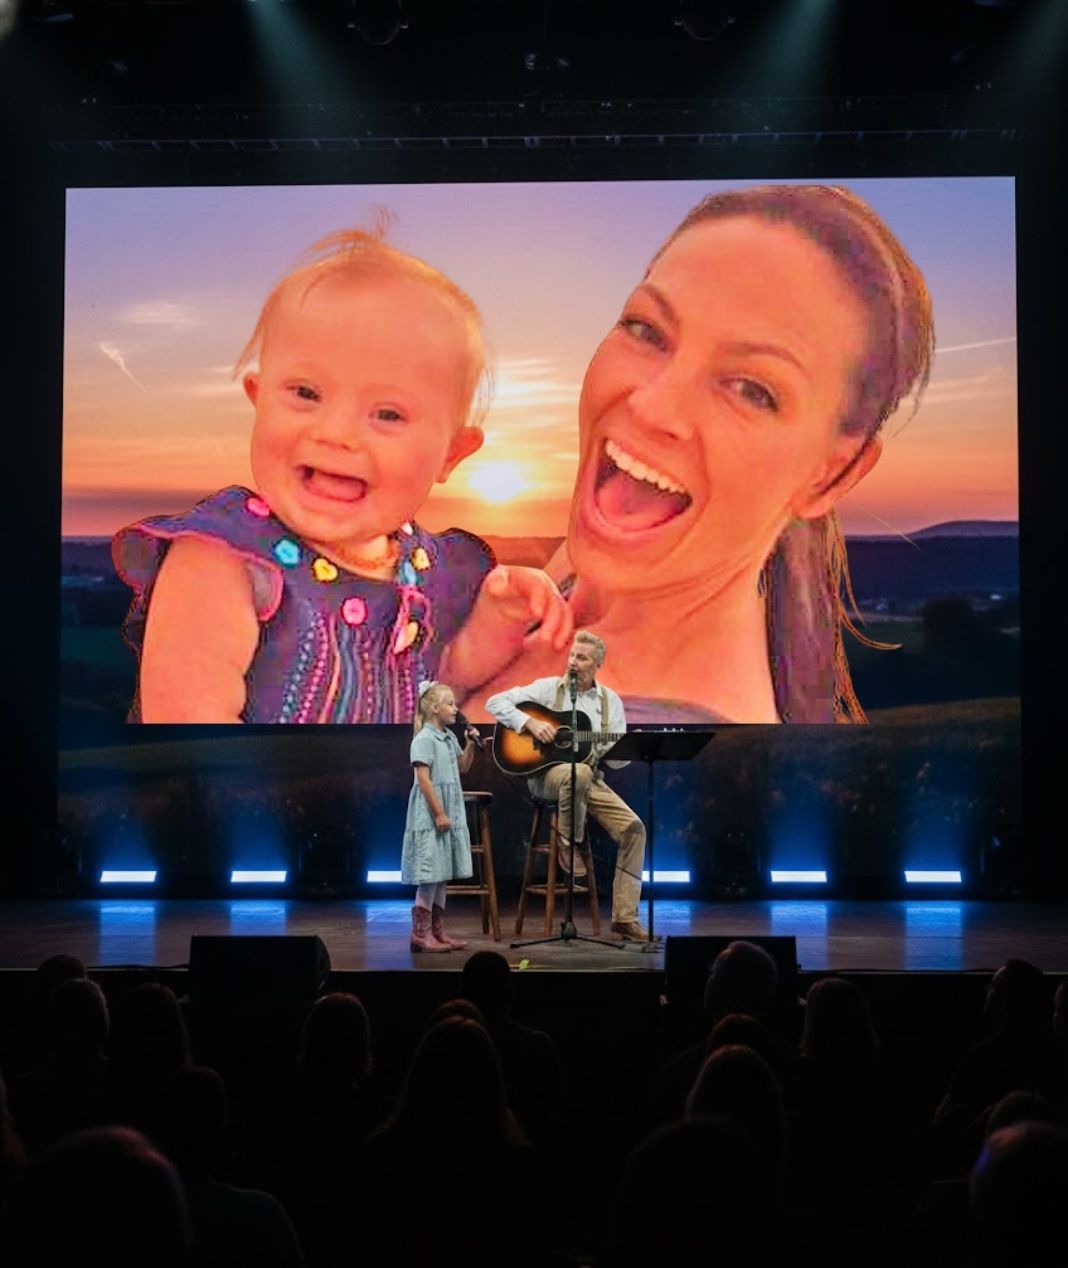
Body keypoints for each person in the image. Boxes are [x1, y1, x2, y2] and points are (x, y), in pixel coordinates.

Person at [473, 184, 935, 723]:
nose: (651, 407)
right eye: (646, 329)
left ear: (831, 476)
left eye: (752, 389)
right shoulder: (596, 574)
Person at [113, 227, 571, 723]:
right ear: (258, 400)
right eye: (306, 393)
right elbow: (187, 725)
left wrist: (499, 620)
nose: (335, 433)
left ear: (451, 455)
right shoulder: (224, 561)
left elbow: (444, 683)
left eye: (388, 414)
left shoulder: (428, 571)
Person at [485, 630, 651, 940]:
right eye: (572, 655)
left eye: (582, 658)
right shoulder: (548, 689)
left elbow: (615, 761)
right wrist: (530, 722)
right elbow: (495, 702)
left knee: (634, 829)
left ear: (597, 665)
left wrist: (629, 749)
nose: (573, 662)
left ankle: (625, 918)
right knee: (579, 773)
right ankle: (568, 841)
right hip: (545, 777)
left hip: (588, 779)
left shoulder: (610, 702)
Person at [403, 679, 479, 952]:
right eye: (450, 704)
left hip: (448, 810)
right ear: (434, 708)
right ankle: (420, 935)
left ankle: (437, 931)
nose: (456, 709)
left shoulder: (448, 738)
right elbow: (424, 780)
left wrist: (470, 744)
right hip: (431, 812)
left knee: (442, 873)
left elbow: (463, 767)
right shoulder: (424, 739)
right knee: (430, 876)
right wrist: (438, 813)